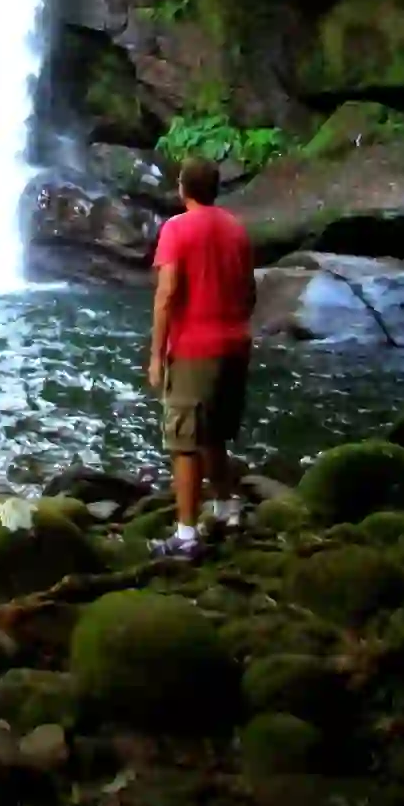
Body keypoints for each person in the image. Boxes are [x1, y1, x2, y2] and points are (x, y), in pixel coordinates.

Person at [148, 155, 256, 559]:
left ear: (182, 188)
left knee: (185, 442)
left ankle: (186, 536)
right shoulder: (237, 229)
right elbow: (249, 291)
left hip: (194, 349)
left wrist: (157, 354)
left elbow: (167, 294)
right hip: (235, 345)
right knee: (213, 434)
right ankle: (228, 509)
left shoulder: (176, 229)